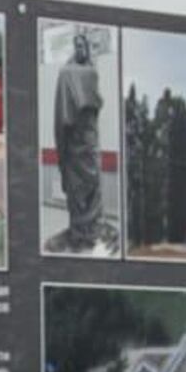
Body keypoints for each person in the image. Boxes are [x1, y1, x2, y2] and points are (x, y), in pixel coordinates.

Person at [52, 29, 106, 249]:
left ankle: (89, 230)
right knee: (76, 191)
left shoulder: (80, 73)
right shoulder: (69, 73)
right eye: (76, 46)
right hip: (76, 142)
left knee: (92, 186)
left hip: (88, 141)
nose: (79, 49)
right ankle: (79, 231)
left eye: (82, 45)